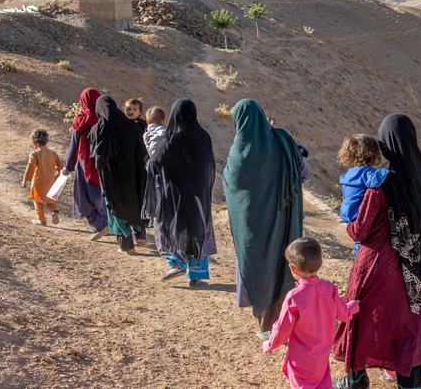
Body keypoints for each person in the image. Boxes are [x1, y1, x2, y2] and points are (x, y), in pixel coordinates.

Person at [333, 114, 421, 389]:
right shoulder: (418, 180)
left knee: (361, 318)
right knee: (407, 326)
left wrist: (348, 226)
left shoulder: (379, 185)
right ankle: (408, 383)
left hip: (376, 265)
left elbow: (360, 231)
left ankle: (356, 379)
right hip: (412, 268)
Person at [224, 99, 311, 339]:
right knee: (285, 262)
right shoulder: (283, 140)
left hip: (254, 227)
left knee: (259, 266)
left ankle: (265, 326)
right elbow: (305, 172)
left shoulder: (239, 154)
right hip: (284, 220)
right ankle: (286, 320)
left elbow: (231, 186)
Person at [264, 237, 359, 389]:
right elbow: (344, 314)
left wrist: (269, 344)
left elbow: (282, 329)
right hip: (321, 356)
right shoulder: (329, 289)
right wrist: (353, 306)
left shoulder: (294, 297)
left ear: (293, 269)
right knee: (322, 383)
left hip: (300, 359)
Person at [146, 100, 217, 287]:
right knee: (198, 229)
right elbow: (209, 164)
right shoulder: (204, 136)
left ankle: (176, 262)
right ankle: (196, 275)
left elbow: (154, 163)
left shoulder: (174, 139)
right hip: (199, 194)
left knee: (175, 228)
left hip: (176, 196)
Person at [90, 95, 148, 254]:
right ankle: (140, 234)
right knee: (133, 203)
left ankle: (127, 245)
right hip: (132, 176)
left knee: (115, 207)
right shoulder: (131, 126)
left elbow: (96, 155)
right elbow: (142, 152)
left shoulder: (98, 129)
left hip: (111, 179)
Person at [64, 88, 109, 239]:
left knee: (82, 197)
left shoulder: (80, 120)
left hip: (85, 164)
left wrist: (68, 166)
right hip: (103, 163)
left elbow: (74, 144)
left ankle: (100, 225)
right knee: (101, 193)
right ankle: (108, 222)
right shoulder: (104, 118)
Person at [337, 135, 388, 257]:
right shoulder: (365, 174)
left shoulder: (350, 173)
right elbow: (375, 181)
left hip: (348, 213)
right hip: (357, 214)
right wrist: (386, 170)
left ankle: (358, 257)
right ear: (372, 153)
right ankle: (359, 259)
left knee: (358, 242)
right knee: (361, 242)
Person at [22, 129, 64, 226]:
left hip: (38, 183)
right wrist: (56, 176)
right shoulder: (53, 153)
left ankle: (42, 220)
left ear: (35, 143)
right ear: (46, 141)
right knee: (50, 200)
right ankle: (54, 212)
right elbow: (61, 167)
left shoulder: (34, 153)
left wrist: (25, 180)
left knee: (37, 201)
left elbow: (30, 166)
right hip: (50, 182)